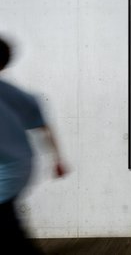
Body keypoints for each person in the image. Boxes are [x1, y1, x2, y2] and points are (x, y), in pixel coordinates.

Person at [0, 36, 67, 254]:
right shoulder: (15, 94)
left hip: (11, 169)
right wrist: (57, 158)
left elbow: (42, 125)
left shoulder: (11, 94)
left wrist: (57, 159)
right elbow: (42, 126)